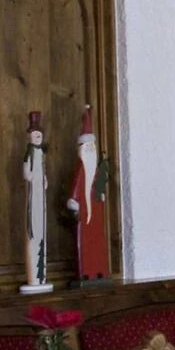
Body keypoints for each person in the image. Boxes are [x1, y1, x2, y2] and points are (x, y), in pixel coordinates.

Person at [67, 105, 111, 283]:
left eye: (92, 147)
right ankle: (86, 271)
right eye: (88, 147)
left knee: (98, 241)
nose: (91, 150)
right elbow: (75, 189)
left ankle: (100, 270)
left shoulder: (96, 169)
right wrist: (74, 201)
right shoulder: (81, 169)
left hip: (96, 213)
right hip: (85, 213)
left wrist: (101, 196)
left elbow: (99, 186)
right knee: (85, 243)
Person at [21, 111, 52, 294]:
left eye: (39, 133)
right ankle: (35, 277)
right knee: (33, 229)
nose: (37, 136)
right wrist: (29, 175)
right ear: (30, 136)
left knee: (41, 227)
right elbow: (26, 168)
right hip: (34, 191)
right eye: (35, 133)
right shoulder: (30, 152)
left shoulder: (41, 153)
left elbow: (42, 168)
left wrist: (44, 179)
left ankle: (41, 276)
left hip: (41, 190)